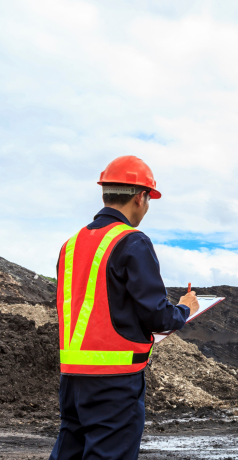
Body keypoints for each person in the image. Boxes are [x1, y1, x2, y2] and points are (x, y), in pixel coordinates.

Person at [50, 156, 199, 460]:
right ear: (140, 197)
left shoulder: (71, 244)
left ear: (104, 192)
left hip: (72, 380)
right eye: (148, 200)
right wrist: (185, 309)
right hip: (115, 382)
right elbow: (157, 316)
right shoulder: (133, 242)